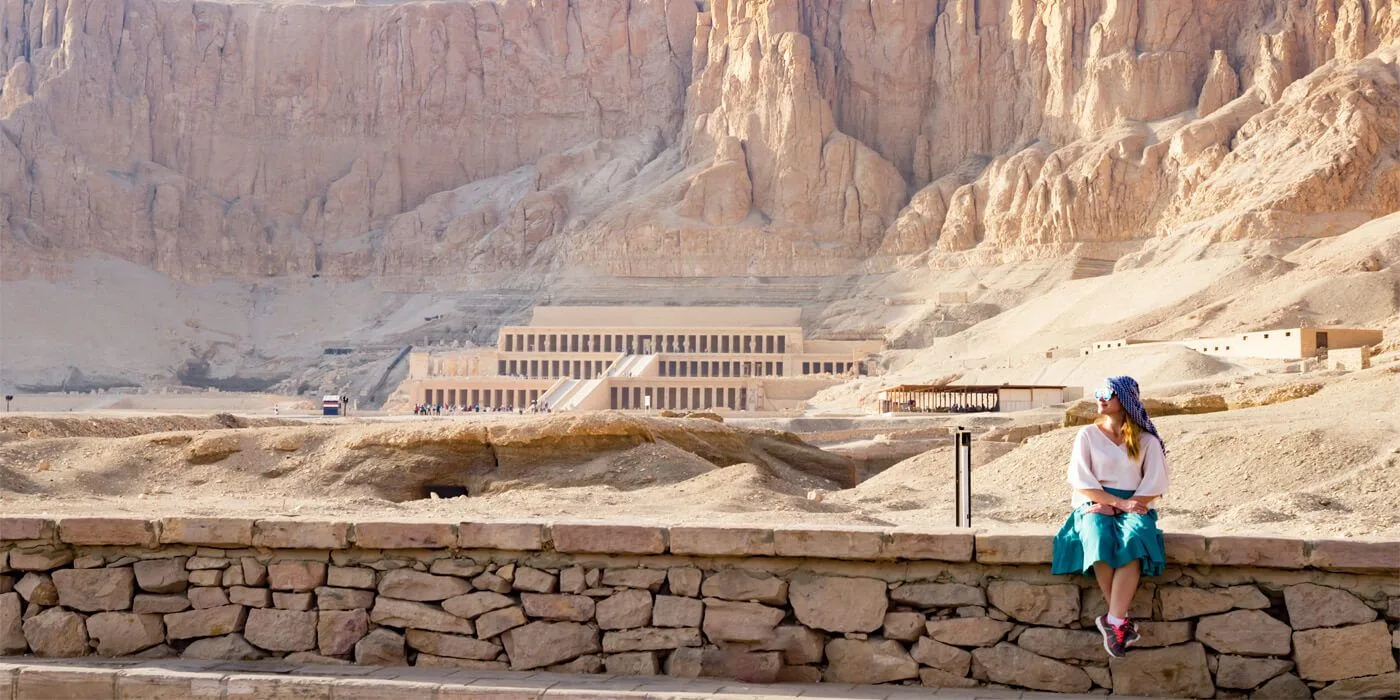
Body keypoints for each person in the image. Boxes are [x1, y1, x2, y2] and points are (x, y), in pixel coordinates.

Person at [1051, 375, 1169, 658]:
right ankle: (1119, 622)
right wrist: (1111, 503)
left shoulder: (1147, 441)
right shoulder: (1087, 436)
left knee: (1135, 537)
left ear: (1125, 400)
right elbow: (1080, 479)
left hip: (1135, 504)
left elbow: (1155, 483)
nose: (1100, 398)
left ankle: (1113, 620)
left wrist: (1123, 506)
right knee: (1097, 534)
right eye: (1098, 393)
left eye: (1107, 393)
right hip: (1095, 502)